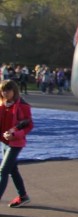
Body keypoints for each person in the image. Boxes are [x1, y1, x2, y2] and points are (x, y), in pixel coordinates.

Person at [0, 80, 34, 208]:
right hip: (4, 142)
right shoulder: (2, 104)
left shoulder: (23, 106)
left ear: (14, 91)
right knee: (13, 170)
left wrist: (15, 135)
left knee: (3, 171)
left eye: (8, 90)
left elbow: (29, 125)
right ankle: (23, 196)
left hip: (16, 143)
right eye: (3, 90)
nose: (5, 93)